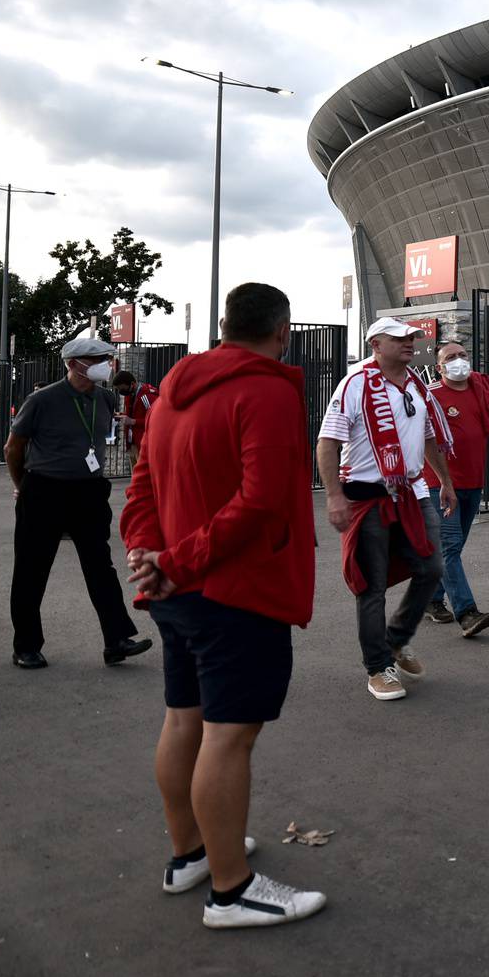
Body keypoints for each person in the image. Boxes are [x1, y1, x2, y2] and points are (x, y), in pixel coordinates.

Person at [120, 282, 326, 929]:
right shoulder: (265, 389)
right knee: (229, 736)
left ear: (222, 325)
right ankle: (232, 891)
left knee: (184, 720)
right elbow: (261, 500)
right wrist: (173, 563)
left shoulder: (174, 390)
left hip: (180, 592)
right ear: (282, 329)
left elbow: (141, 483)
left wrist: (151, 557)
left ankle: (191, 855)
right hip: (235, 591)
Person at [316, 319, 455, 702]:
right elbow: (327, 442)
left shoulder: (416, 384)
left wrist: (444, 480)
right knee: (371, 586)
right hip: (366, 496)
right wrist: (333, 496)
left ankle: (393, 640)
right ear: (376, 344)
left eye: (411, 338)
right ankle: (378, 667)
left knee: (431, 568)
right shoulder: (354, 384)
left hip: (413, 491)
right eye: (400, 339)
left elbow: (427, 437)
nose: (409, 343)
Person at [5, 336, 152, 669]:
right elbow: (13, 448)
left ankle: (117, 639)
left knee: (101, 567)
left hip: (89, 492)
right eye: (98, 359)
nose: (106, 365)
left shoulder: (103, 398)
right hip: (44, 491)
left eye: (108, 358)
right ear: (73, 364)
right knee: (31, 569)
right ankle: (26, 646)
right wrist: (23, 486)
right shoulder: (42, 400)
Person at [422, 340, 489, 637]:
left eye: (463, 355)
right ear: (439, 368)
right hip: (439, 484)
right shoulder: (430, 395)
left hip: (473, 483)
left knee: (453, 547)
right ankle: (467, 612)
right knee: (450, 546)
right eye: (451, 357)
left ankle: (431, 598)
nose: (459, 360)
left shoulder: (480, 392)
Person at [115, 370, 161, 471]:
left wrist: (133, 421)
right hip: (133, 443)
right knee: (135, 474)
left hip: (143, 443)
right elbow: (132, 414)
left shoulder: (146, 396)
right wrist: (121, 416)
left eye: (123, 388)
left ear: (132, 384)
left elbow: (155, 419)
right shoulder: (129, 395)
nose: (122, 392)